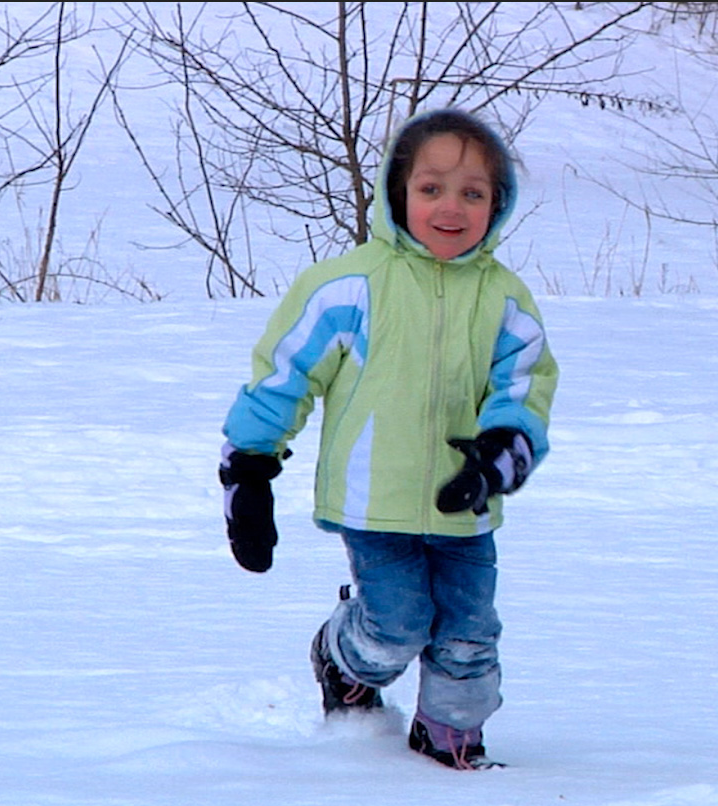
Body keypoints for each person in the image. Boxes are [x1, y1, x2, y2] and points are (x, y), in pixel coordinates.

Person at [218, 108, 558, 771]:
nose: (451, 207)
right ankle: (342, 657)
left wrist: (501, 453)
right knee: (397, 624)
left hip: (467, 503)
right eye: (431, 188)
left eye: (473, 193)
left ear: (497, 204)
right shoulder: (347, 286)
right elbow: (285, 378)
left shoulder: (505, 299)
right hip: (374, 501)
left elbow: (524, 387)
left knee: (470, 631)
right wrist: (250, 469)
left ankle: (450, 736)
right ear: (397, 192)